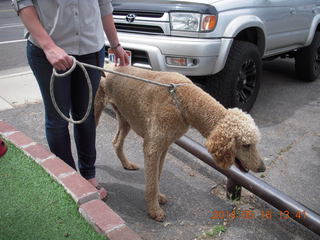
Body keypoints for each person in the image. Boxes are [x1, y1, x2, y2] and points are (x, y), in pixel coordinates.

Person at [12, 0, 129, 199]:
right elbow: (23, 3)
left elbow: (103, 5)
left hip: (91, 49)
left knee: (85, 115)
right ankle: (68, 179)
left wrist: (115, 44)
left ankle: (88, 175)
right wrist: (49, 46)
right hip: (48, 51)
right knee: (58, 119)